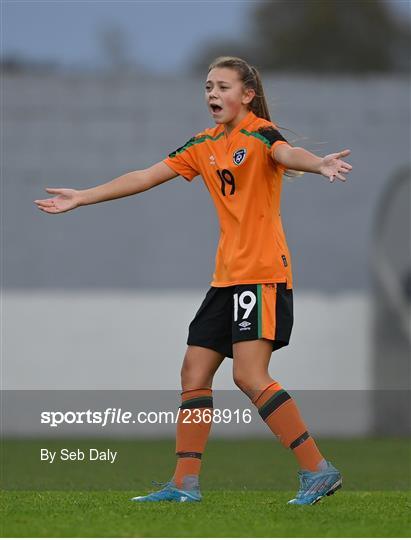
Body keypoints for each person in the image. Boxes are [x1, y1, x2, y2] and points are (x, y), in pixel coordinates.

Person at [34, 56, 352, 506]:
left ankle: (318, 471)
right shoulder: (203, 144)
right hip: (227, 280)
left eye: (222, 87)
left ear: (246, 95)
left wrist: (319, 163)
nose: (212, 95)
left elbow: (285, 153)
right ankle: (184, 484)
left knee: (249, 375)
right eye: (207, 88)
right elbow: (146, 175)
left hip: (262, 275)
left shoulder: (260, 133)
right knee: (194, 372)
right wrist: (83, 196)